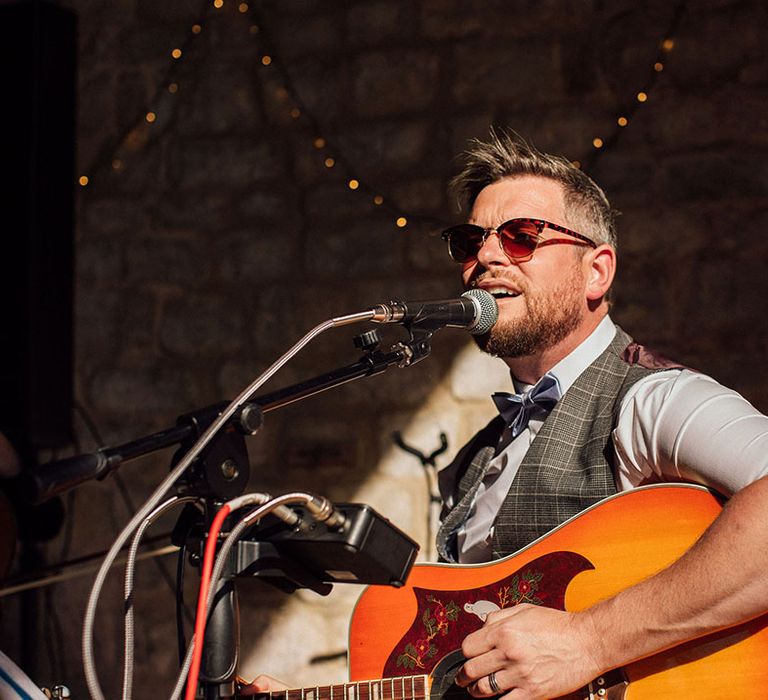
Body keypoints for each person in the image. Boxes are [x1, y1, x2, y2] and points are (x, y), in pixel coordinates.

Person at [243, 131, 768, 698]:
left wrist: (589, 642)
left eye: (522, 236)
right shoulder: (473, 465)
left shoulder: (651, 400)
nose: (487, 258)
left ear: (597, 272)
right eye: (470, 241)